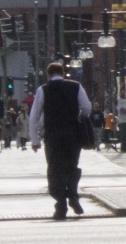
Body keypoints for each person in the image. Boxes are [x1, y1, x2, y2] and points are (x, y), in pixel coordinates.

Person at [29, 62, 93, 220]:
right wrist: (78, 116)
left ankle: (61, 205)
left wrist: (35, 140)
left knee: (55, 170)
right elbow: (87, 108)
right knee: (71, 167)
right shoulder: (76, 86)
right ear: (63, 73)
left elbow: (34, 117)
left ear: (48, 75)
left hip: (53, 136)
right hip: (73, 135)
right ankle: (73, 196)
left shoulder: (43, 90)